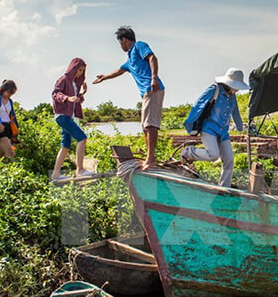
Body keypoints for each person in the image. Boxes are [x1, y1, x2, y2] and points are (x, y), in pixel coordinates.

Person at [93, 26, 164, 170]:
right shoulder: (129, 59)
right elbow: (119, 71)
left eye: (120, 43)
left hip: (153, 88)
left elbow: (152, 57)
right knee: (145, 126)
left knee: (150, 125)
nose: (120, 46)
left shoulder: (139, 46)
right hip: (145, 93)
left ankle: (150, 159)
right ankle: (149, 158)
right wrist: (104, 77)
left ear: (124, 40)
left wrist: (154, 78)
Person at [181, 68, 248, 187]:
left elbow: (235, 112)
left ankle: (223, 187)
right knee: (213, 155)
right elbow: (198, 105)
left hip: (223, 132)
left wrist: (240, 127)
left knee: (229, 159)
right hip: (209, 129)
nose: (237, 89)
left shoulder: (232, 96)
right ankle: (188, 152)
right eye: (236, 86)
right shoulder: (214, 89)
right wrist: (189, 124)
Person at [51, 58, 94, 179]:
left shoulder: (75, 84)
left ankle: (55, 174)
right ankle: (80, 170)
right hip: (63, 116)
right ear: (73, 68)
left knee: (65, 145)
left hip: (69, 116)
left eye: (82, 71)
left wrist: (83, 92)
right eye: (79, 69)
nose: (80, 72)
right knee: (82, 138)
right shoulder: (64, 79)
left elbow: (76, 99)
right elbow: (55, 94)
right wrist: (67, 98)